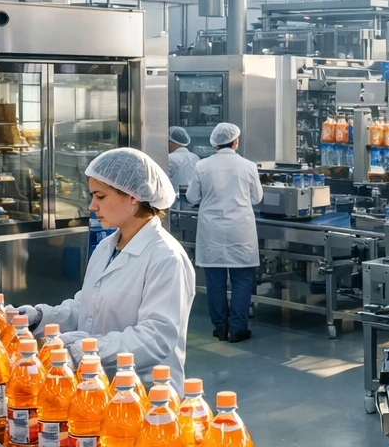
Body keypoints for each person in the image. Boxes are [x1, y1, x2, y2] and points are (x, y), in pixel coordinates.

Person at [20, 148, 195, 389]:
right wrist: (41, 317)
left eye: (100, 197)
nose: (92, 206)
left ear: (133, 197)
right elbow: (88, 306)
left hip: (146, 392)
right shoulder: (107, 247)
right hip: (99, 386)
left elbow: (156, 337)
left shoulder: (165, 257)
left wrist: (92, 350)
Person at [186, 122, 263, 342]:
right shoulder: (248, 166)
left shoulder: (202, 166)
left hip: (212, 231)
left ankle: (220, 327)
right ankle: (237, 328)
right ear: (235, 141)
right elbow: (257, 198)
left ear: (214, 143)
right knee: (242, 280)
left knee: (215, 282)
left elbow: (192, 197)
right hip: (240, 231)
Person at [167, 126, 199, 191]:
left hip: (175, 195)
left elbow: (163, 180)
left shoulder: (170, 158)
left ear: (171, 142)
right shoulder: (195, 157)